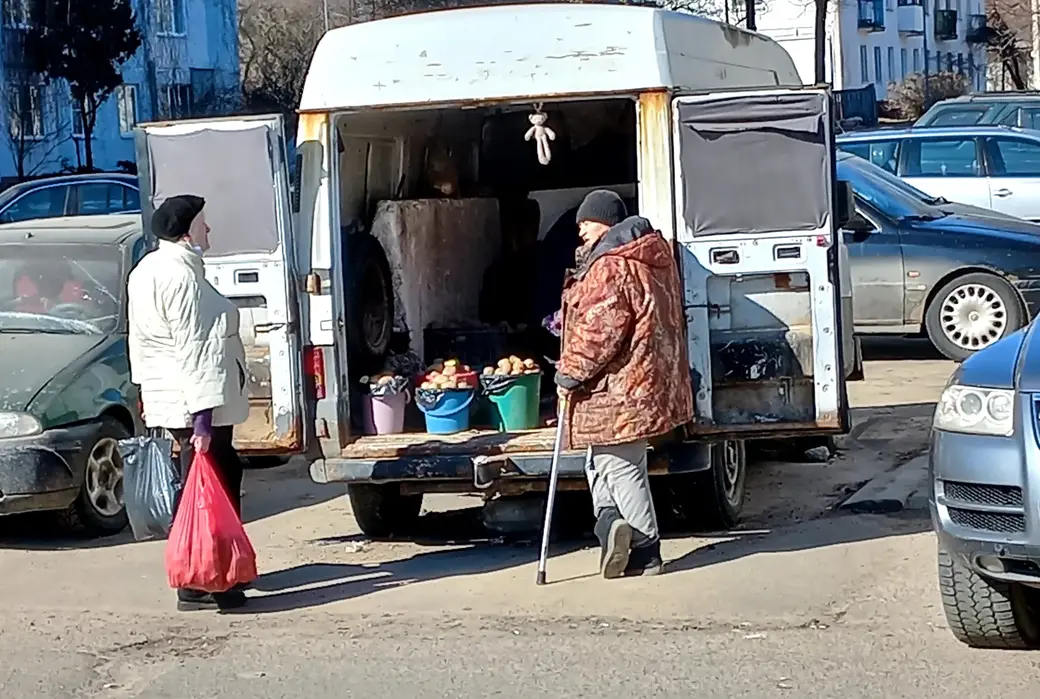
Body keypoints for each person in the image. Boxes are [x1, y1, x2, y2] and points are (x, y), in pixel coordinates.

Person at [554, 190, 693, 579]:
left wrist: (569, 372)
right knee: (599, 459)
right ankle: (612, 524)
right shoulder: (650, 260)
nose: (580, 227)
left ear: (608, 222)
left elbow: (601, 330)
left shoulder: (612, 266)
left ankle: (644, 548)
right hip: (644, 380)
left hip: (617, 386)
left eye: (588, 220)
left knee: (620, 465)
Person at [127, 194, 251, 612]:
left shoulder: (148, 269)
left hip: (173, 396)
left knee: (203, 479)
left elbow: (140, 342)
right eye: (203, 223)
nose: (208, 230)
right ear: (186, 232)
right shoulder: (181, 278)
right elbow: (195, 348)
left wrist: (145, 391)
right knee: (214, 480)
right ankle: (214, 578)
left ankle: (199, 575)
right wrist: (201, 420)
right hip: (195, 401)